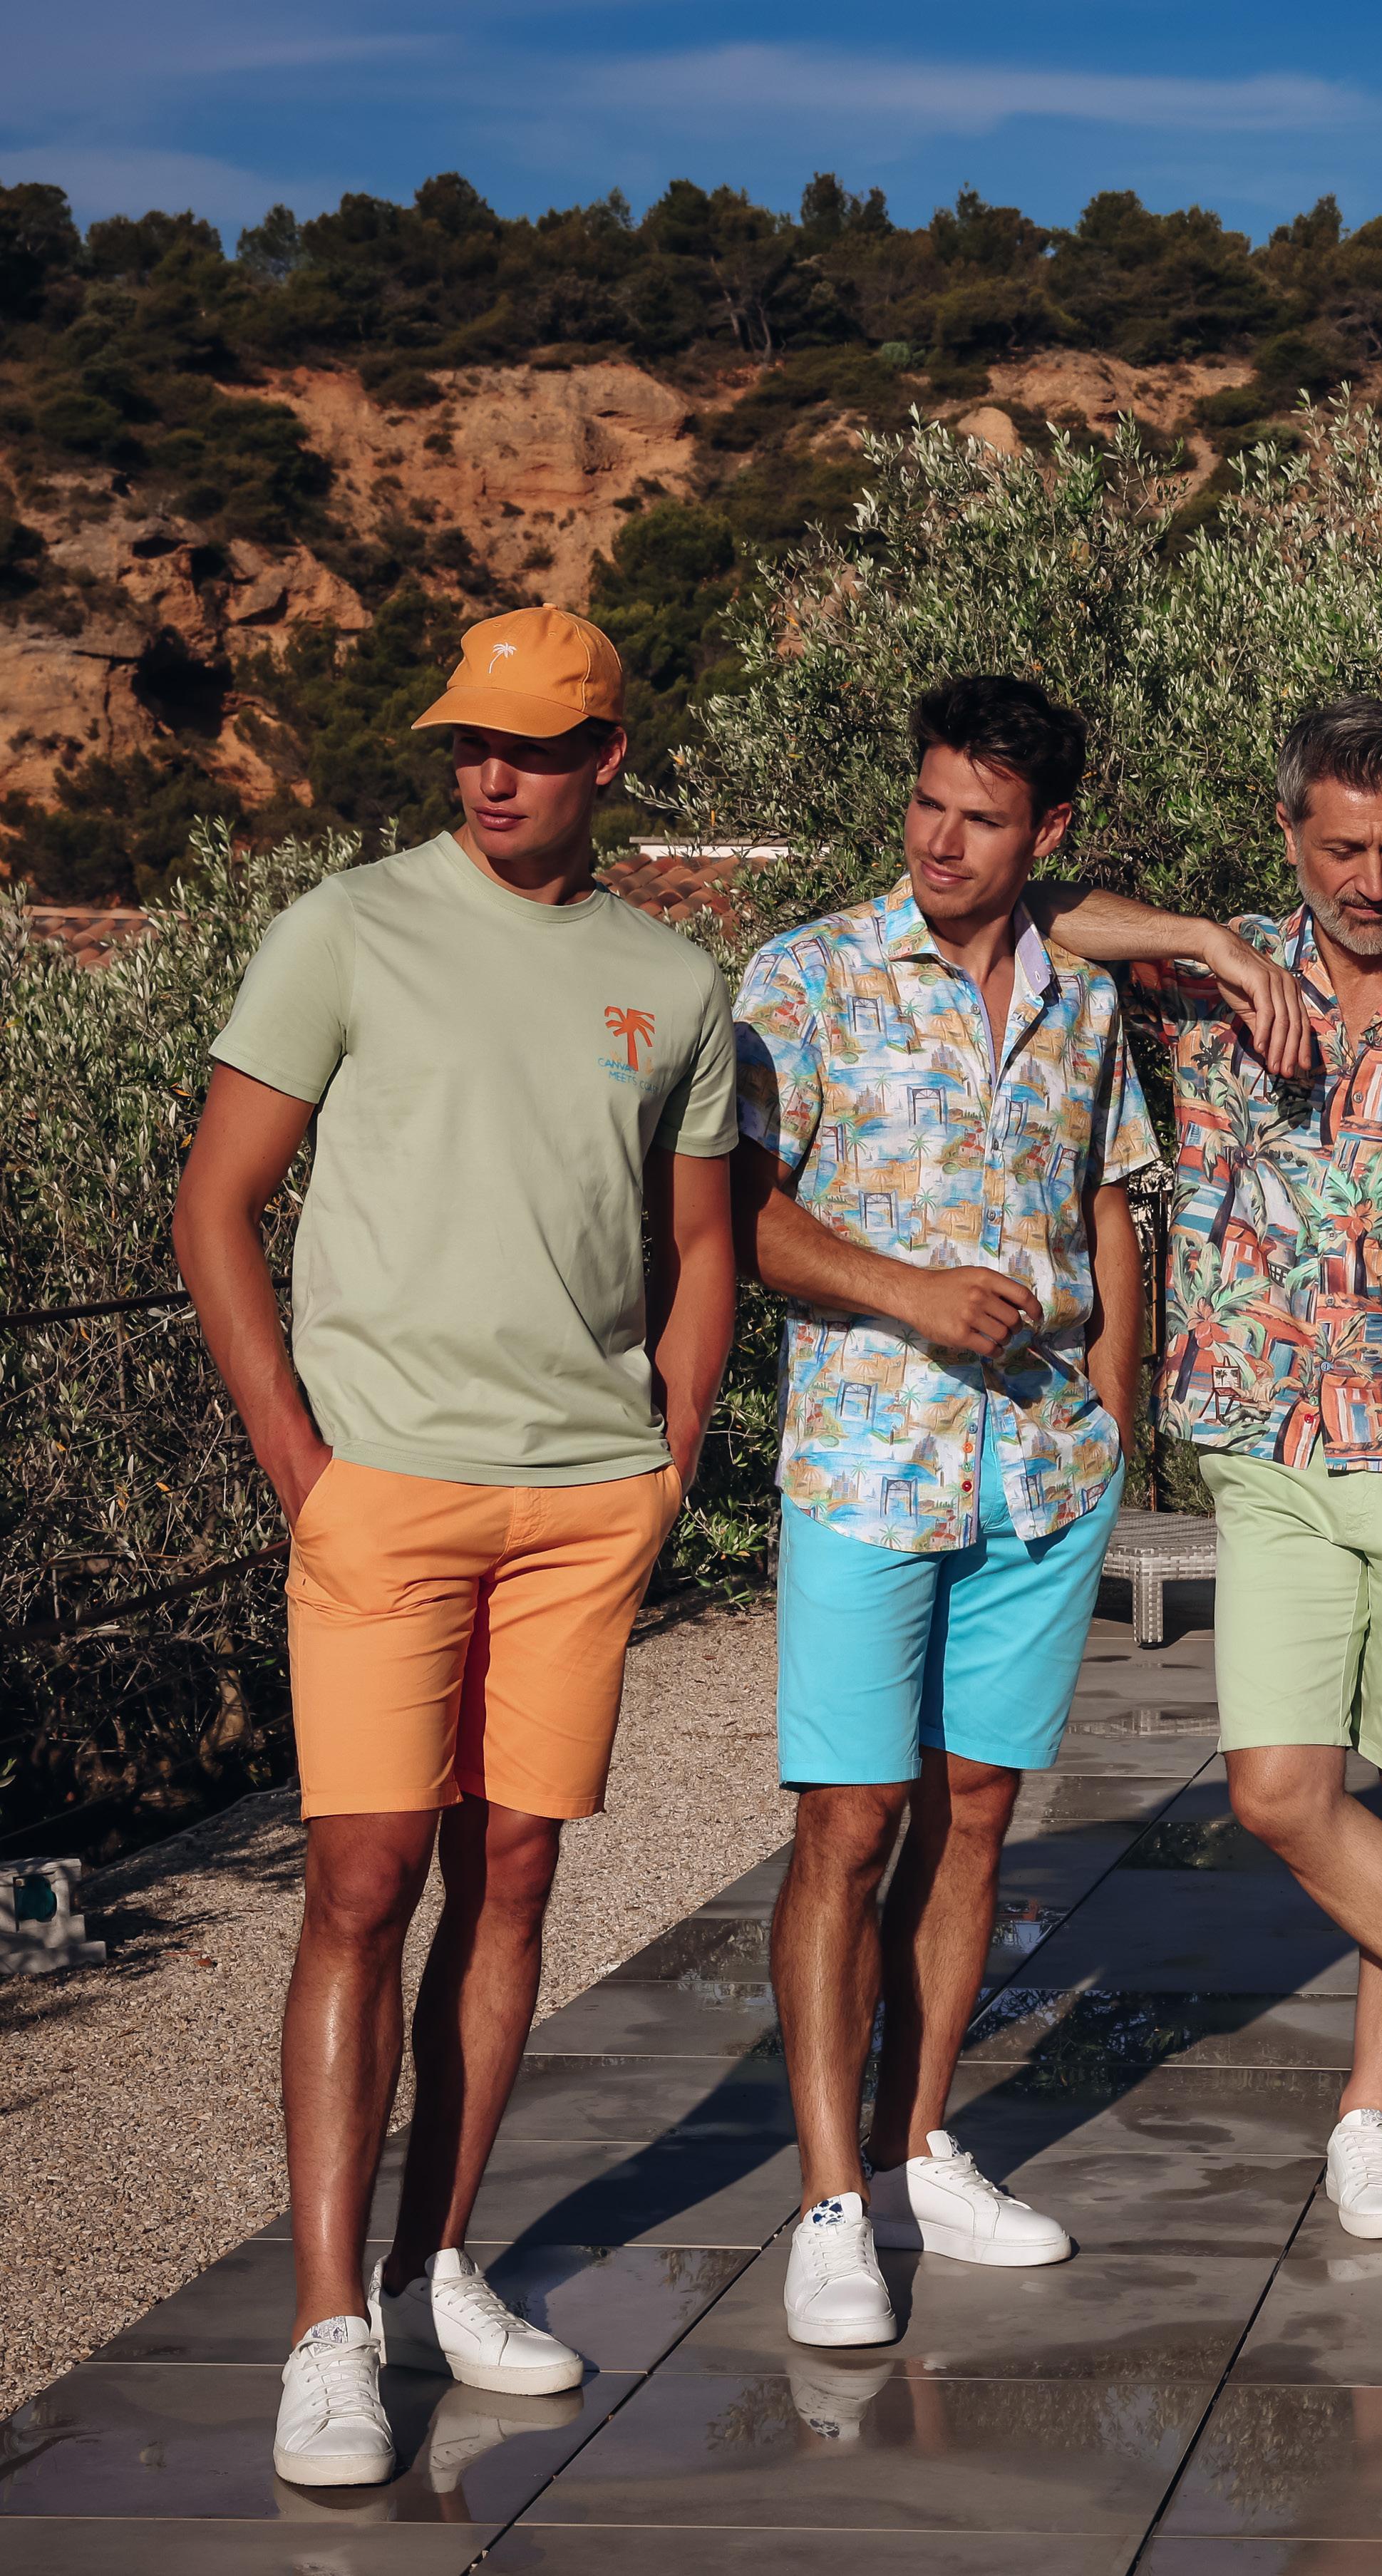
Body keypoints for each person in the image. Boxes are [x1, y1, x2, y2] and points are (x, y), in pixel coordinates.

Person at [172, 604, 738, 2486]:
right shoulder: (344, 928)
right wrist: (299, 1463)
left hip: (582, 1503)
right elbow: (217, 1201)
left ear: (604, 756)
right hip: (382, 1490)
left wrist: (667, 1457)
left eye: (530, 745)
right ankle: (326, 2327)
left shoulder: (674, 978)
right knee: (362, 1876)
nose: (490, 773)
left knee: (512, 1875)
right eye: (465, 744)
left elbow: (703, 1243)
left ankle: (434, 2268)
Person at [731, 673, 1294, 2348]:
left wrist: (1111, 1410)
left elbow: (1111, 1198)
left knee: (974, 1814)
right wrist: (907, 1291)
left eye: (980, 819)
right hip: (865, 1461)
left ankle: (919, 2148)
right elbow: (736, 1218)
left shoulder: (1078, 997)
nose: (940, 841)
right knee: (847, 1824)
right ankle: (829, 2202)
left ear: (1045, 832)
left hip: (1040, 1474)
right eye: (926, 805)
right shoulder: (806, 974)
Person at [1030, 697, 1382, 2240]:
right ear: (1288, 829)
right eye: (1342, 847)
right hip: (1269, 1452)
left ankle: (1369, 2116)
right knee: (1281, 1792)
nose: (1370, 880)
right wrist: (1211, 946)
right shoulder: (1207, 981)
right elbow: (1030, 900)